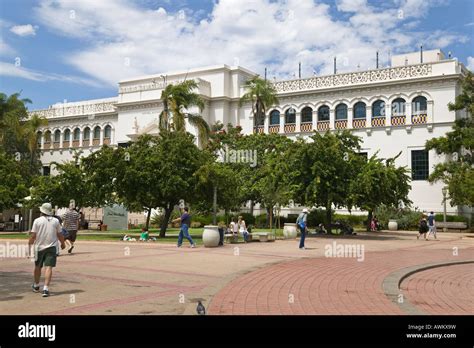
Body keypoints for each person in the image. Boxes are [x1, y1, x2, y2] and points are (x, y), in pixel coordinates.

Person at [28, 203, 66, 297]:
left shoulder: (37, 221)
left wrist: (29, 244)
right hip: (52, 247)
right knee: (49, 267)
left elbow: (33, 235)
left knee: (37, 266)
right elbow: (60, 234)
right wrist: (63, 243)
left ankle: (36, 285)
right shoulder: (56, 221)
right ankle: (46, 288)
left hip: (39, 247)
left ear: (42, 211)